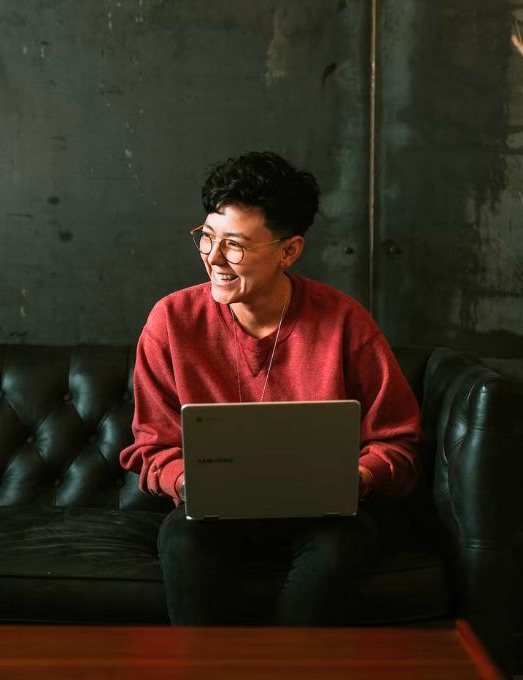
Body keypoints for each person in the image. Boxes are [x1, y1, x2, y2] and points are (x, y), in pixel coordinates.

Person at [119, 151, 422, 625]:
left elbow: (397, 443)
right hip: (212, 520)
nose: (214, 258)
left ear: (289, 251)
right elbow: (152, 446)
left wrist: (357, 479)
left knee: (344, 544)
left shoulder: (344, 322)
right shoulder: (172, 322)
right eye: (207, 237)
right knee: (181, 537)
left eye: (234, 245)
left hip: (323, 520)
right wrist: (185, 480)